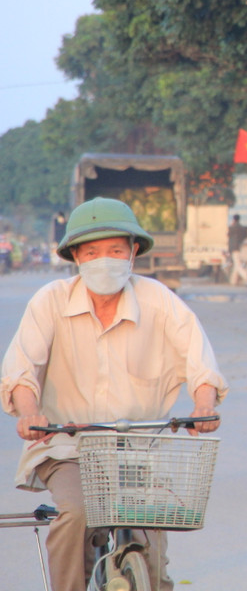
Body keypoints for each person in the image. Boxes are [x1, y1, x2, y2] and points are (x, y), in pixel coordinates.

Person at [1, 197, 227, 591]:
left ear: (133, 252)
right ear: (76, 256)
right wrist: (29, 412)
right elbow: (22, 371)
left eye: (115, 251)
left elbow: (199, 359)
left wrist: (204, 404)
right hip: (67, 448)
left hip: (138, 448)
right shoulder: (50, 301)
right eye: (93, 252)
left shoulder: (158, 299)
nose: (104, 260)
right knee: (77, 513)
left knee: (154, 557)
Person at [226, 213, 247, 285]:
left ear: (233, 219)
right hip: (241, 247)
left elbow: (228, 235)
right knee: (237, 264)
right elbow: (246, 236)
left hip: (234, 248)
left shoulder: (232, 227)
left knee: (238, 265)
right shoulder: (243, 228)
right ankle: (233, 281)